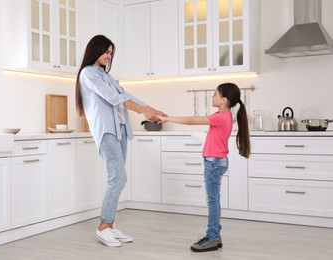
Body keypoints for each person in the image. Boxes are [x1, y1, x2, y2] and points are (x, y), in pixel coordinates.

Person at [75, 35, 166, 247]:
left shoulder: (106, 76)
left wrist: (150, 109)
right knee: (118, 177)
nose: (109, 56)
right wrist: (144, 110)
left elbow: (125, 94)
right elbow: (114, 98)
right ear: (95, 50)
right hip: (107, 131)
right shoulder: (88, 73)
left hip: (120, 129)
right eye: (106, 52)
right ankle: (103, 227)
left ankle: (110, 225)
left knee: (118, 178)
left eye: (110, 53)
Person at [157, 82, 250, 252]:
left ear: (224, 100)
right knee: (214, 199)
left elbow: (193, 120)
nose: (212, 97)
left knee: (212, 200)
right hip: (216, 161)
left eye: (215, 94)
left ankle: (212, 237)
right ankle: (215, 234)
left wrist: (168, 118)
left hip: (214, 163)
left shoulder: (221, 117)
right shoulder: (222, 115)